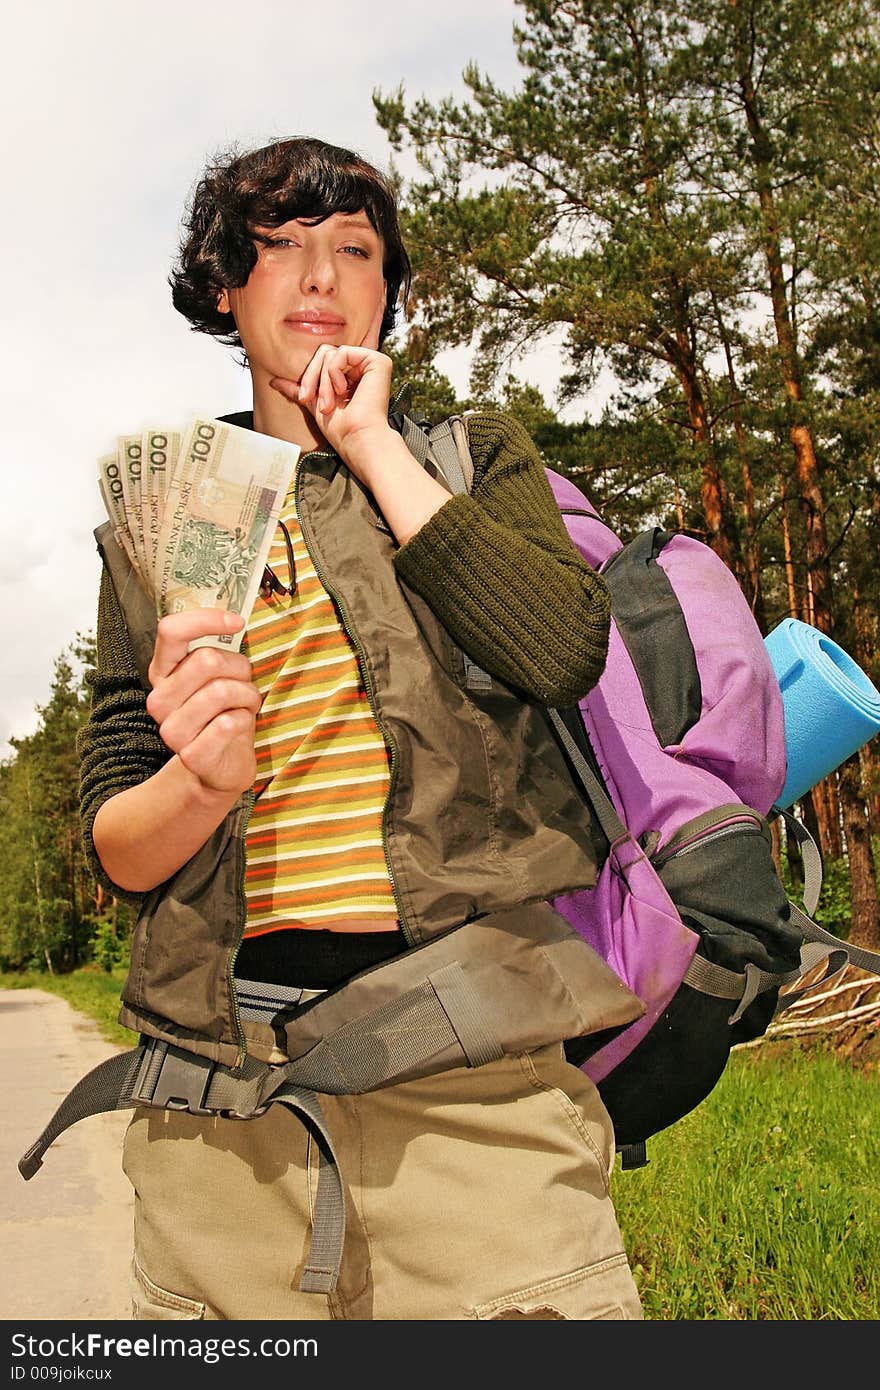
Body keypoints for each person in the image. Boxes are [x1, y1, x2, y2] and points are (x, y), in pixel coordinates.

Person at [76, 135, 646, 1321]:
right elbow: (119, 840)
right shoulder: (166, 519)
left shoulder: (467, 457)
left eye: (353, 249)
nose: (320, 277)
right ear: (226, 289)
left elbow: (555, 646)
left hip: (478, 1101)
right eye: (277, 248)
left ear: (388, 290)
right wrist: (199, 782)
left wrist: (372, 445)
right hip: (219, 1124)